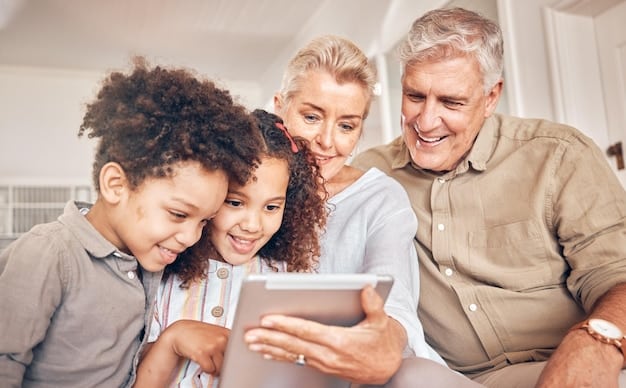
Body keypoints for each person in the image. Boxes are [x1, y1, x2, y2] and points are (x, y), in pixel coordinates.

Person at [352, 6, 626, 388]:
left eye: (451, 102)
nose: (426, 121)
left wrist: (594, 343)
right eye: (415, 95)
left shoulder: (559, 155)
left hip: (570, 359)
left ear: (491, 97)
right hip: (454, 379)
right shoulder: (369, 177)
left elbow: (617, 277)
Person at [0, 58, 262, 387]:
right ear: (116, 185)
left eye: (204, 222)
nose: (191, 237)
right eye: (179, 214)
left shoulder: (143, 263)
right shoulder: (49, 254)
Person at [243, 35, 481, 387]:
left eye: (346, 126)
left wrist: (381, 341)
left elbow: (395, 301)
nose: (326, 141)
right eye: (311, 117)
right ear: (280, 108)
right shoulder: (244, 187)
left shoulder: (381, 198)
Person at [132, 109, 327, 387]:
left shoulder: (290, 281)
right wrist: (174, 339)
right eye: (235, 203)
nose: (252, 225)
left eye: (271, 207)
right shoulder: (161, 274)